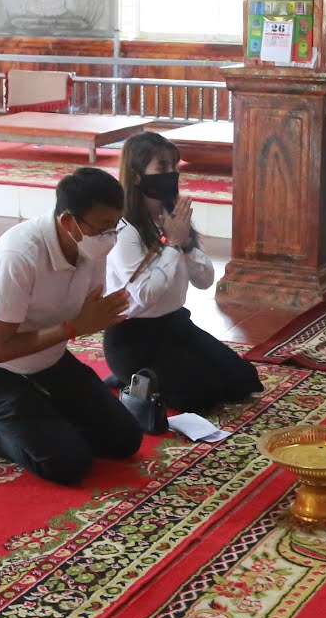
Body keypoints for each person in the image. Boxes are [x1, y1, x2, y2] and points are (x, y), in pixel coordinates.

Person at [0, 167, 143, 485]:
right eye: (103, 228)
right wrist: (74, 328)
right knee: (68, 463)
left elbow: (86, 311)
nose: (110, 237)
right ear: (69, 222)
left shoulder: (90, 247)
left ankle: (40, 417)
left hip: (47, 362)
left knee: (124, 439)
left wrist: (101, 315)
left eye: (115, 226)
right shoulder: (18, 256)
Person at [104, 133, 261, 414]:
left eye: (174, 167)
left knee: (243, 380)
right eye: (162, 167)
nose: (172, 174)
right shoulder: (124, 230)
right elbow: (145, 295)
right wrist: (173, 244)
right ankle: (133, 376)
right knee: (201, 395)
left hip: (175, 325)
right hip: (134, 337)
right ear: (137, 175)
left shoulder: (172, 216)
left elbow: (205, 281)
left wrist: (186, 243)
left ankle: (153, 374)